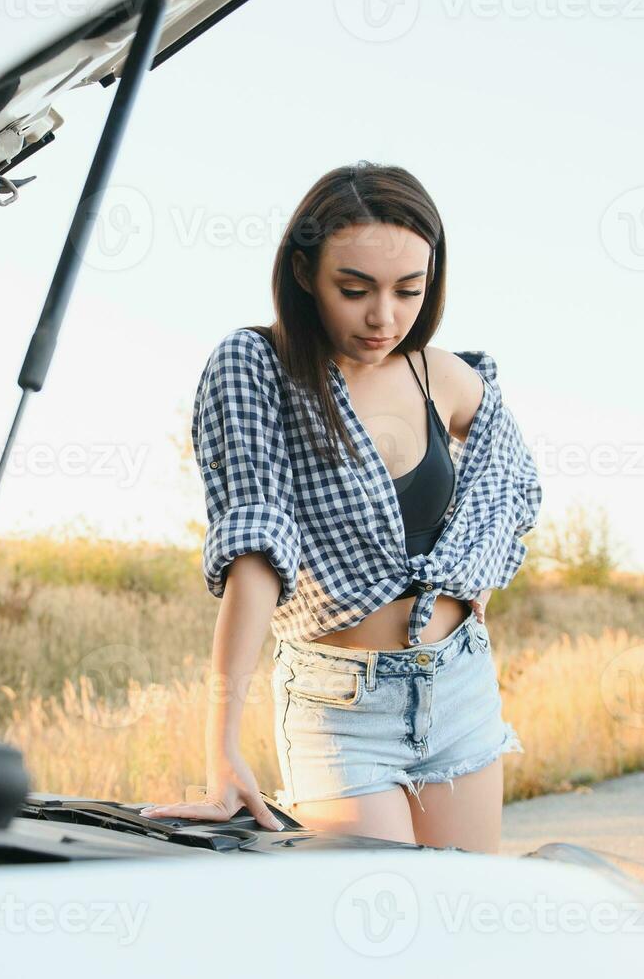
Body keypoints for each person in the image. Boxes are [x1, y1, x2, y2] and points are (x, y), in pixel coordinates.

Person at [138, 162, 542, 852]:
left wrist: (474, 577)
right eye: (353, 289)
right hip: (338, 704)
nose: (383, 316)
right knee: (374, 932)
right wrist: (222, 747)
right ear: (303, 273)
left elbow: (511, 481)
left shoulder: (436, 373)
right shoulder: (256, 366)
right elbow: (255, 548)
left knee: (462, 930)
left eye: (407, 291)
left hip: (459, 684)